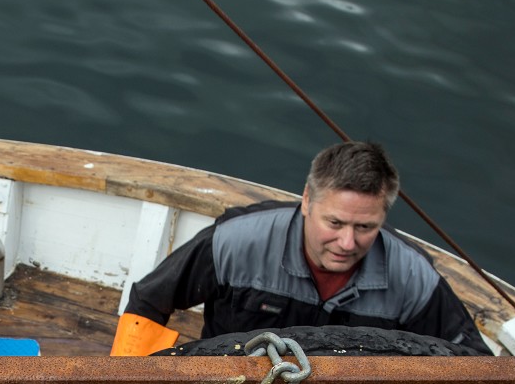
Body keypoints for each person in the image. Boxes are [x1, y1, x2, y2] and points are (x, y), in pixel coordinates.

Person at [119, 141, 492, 355]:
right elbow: (149, 303)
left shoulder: (413, 279)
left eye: (366, 227)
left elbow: (470, 357)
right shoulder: (235, 242)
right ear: (307, 201)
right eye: (335, 223)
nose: (347, 243)